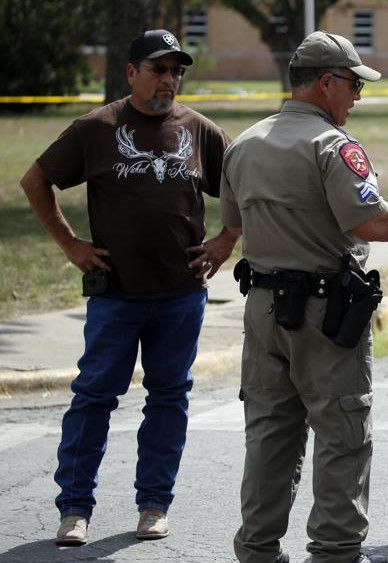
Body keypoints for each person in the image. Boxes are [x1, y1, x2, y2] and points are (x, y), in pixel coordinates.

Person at [221, 32, 388, 563]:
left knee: (269, 434)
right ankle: (336, 551)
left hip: (263, 308)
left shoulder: (243, 144)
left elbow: (233, 226)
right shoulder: (332, 146)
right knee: (342, 432)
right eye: (353, 83)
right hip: (325, 314)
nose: (357, 95)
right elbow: (375, 222)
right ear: (326, 82)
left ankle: (257, 549)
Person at [19, 29, 233, 546]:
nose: (169, 79)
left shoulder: (201, 131)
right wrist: (71, 244)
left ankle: (154, 504)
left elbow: (244, 185)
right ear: (131, 72)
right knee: (94, 397)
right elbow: (35, 180)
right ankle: (74, 509)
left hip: (181, 294)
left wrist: (228, 238)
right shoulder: (97, 128)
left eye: (177, 70)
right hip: (115, 294)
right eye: (158, 68)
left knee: (168, 398)